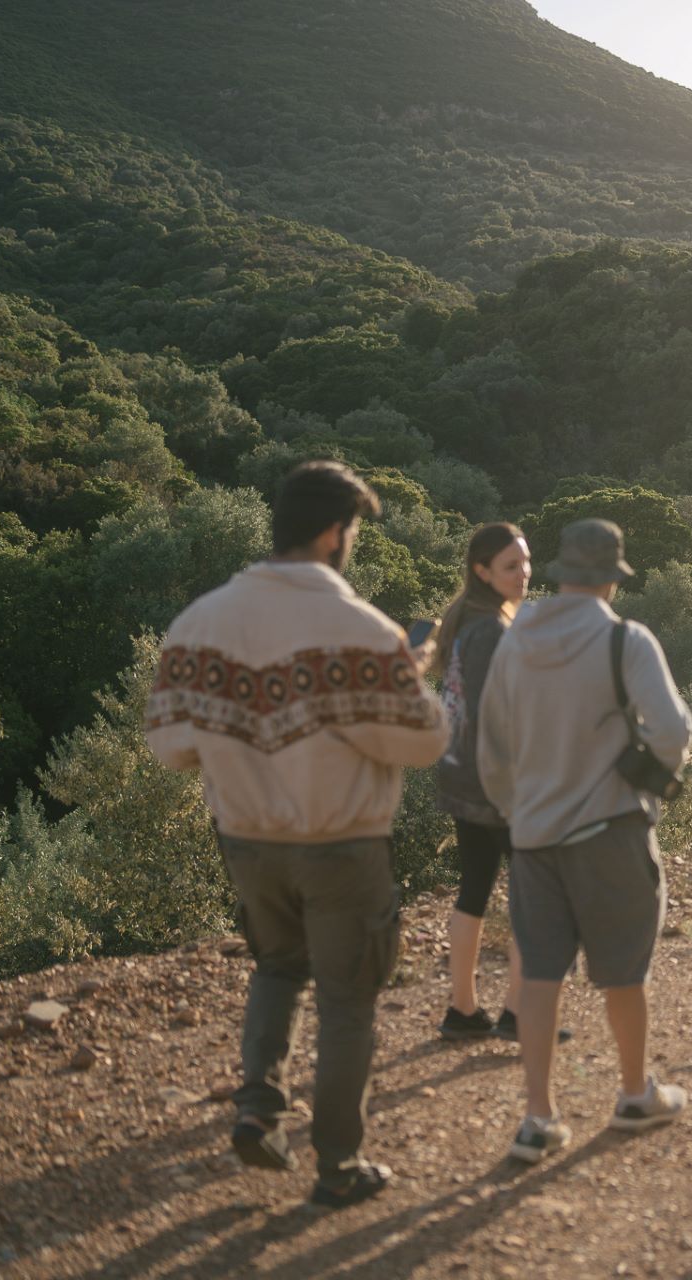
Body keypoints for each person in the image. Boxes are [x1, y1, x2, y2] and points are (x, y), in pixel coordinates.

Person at [144, 461, 449, 1207]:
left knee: (278, 969)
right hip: (341, 844)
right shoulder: (364, 632)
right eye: (351, 532)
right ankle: (337, 1167)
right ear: (332, 533)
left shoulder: (199, 623)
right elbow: (422, 742)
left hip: (246, 841)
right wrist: (411, 675)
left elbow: (172, 748)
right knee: (348, 1001)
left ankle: (258, 1107)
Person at [477, 518, 692, 1162]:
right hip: (609, 832)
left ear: (561, 575)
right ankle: (634, 1094)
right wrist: (644, 781)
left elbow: (490, 745)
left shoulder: (517, 640)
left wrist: (518, 809)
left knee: (541, 974)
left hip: (534, 837)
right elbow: (675, 734)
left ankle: (538, 1117)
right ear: (611, 579)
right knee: (624, 970)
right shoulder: (624, 638)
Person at [428, 522, 534, 1042]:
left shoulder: (462, 618)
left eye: (526, 562)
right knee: (532, 894)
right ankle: (517, 1012)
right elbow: (501, 715)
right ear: (482, 571)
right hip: (496, 782)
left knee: (473, 889)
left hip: (460, 773)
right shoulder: (491, 628)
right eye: (511, 566)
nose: (523, 574)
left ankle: (462, 1011)